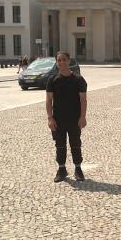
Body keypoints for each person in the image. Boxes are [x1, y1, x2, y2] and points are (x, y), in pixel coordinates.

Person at [46, 51, 88, 182]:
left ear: (69, 61)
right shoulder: (52, 80)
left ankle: (78, 169)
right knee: (60, 145)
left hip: (74, 119)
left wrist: (83, 117)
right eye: (59, 60)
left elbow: (83, 100)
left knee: (75, 144)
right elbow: (48, 100)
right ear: (57, 62)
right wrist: (50, 118)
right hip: (58, 119)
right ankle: (61, 169)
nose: (61, 62)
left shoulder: (78, 80)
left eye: (64, 60)